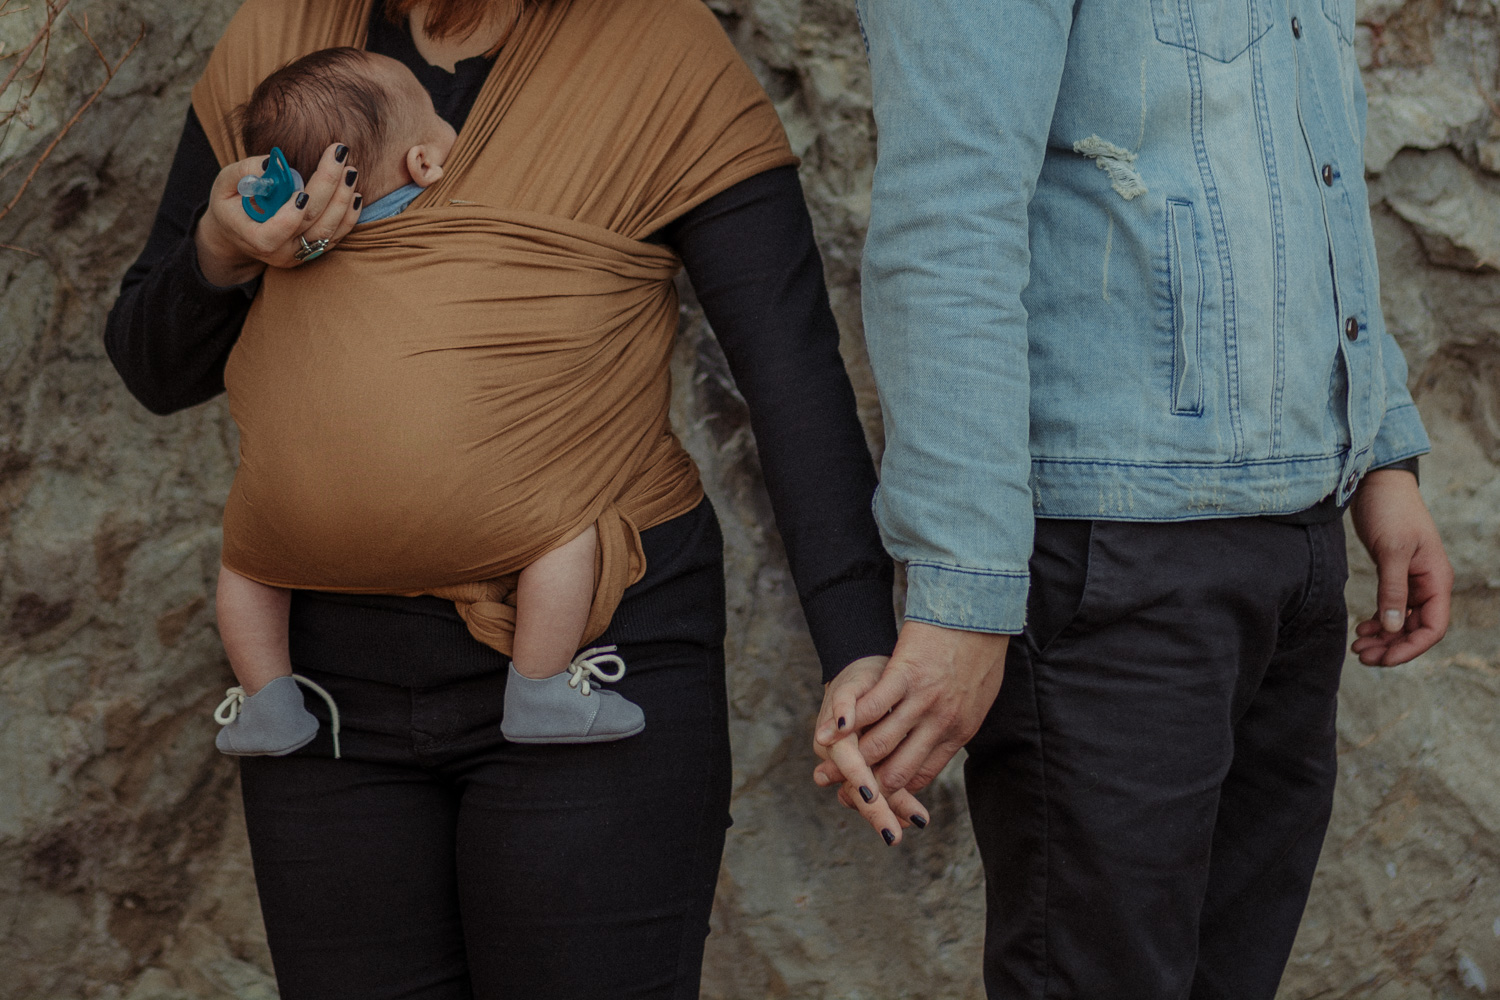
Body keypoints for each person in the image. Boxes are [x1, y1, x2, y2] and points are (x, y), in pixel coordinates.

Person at [104, 0, 911, 996]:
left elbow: (789, 374)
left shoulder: (659, 58)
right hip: (322, 700)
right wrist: (220, 256)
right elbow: (155, 364)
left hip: (591, 663)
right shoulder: (282, 44)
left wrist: (861, 650)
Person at [813, 2, 1454, 997]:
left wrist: (1382, 456)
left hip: (1295, 544)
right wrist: (962, 595)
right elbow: (949, 225)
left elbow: (1318, 170)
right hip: (1112, 563)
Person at [212, 45, 644, 757]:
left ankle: (268, 703)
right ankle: (538, 688)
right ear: (424, 165)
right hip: (471, 513)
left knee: (243, 565)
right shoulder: (472, 227)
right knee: (570, 517)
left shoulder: (278, 255)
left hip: (292, 523)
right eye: (440, 122)